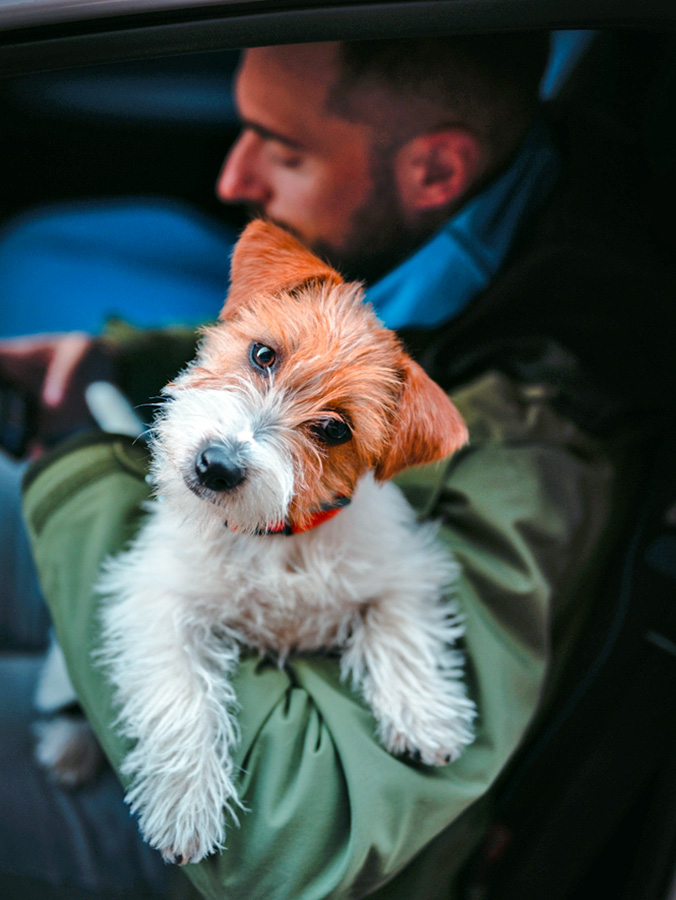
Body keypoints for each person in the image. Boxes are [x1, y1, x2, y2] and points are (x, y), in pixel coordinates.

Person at [1, 35, 673, 900]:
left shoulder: (532, 451)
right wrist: (116, 363)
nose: (233, 180)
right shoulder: (491, 233)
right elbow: (313, 351)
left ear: (435, 169)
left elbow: (293, 840)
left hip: (233, 810)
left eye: (285, 149)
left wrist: (78, 463)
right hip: (233, 562)